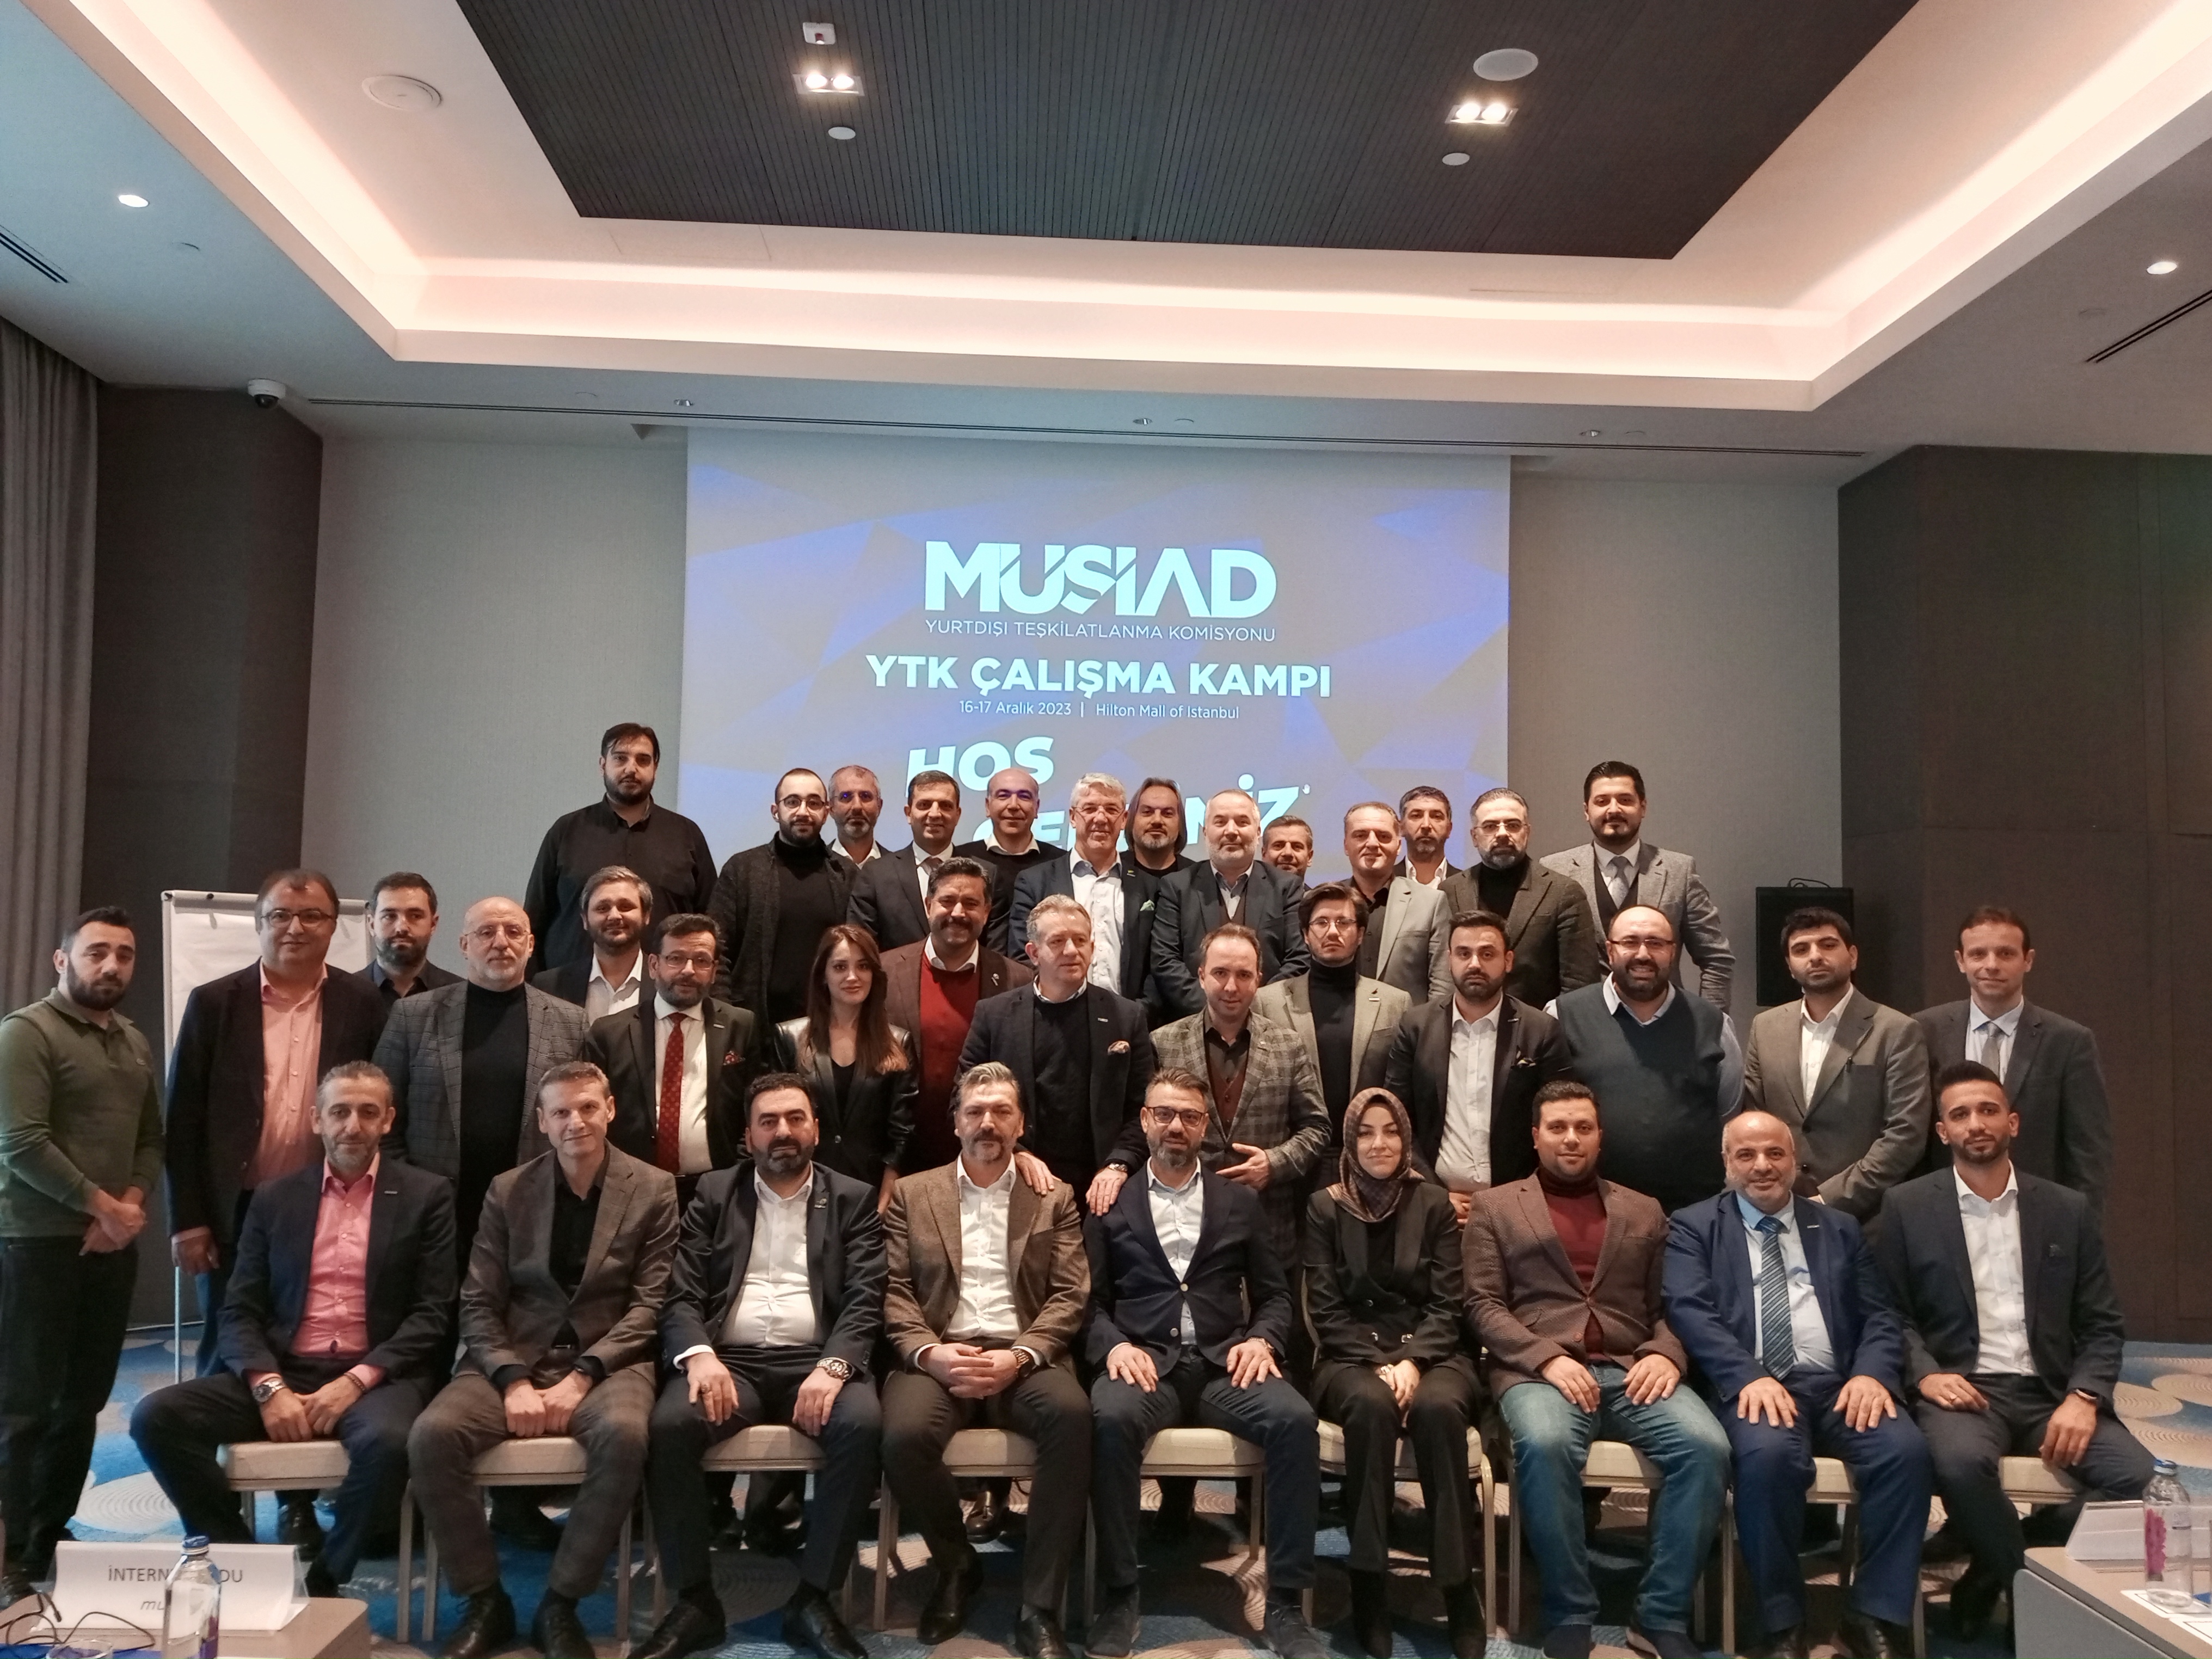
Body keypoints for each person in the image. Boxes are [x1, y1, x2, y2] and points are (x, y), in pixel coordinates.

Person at [131, 1062, 457, 1599]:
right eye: (339, 1112)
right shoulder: (275, 1197)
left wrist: (354, 1382)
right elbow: (239, 1310)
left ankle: (327, 1578)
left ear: (388, 1120)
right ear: (316, 1120)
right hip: (286, 1368)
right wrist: (268, 1387)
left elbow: (432, 1315)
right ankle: (241, 1561)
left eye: (368, 1112)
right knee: (156, 1418)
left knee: (390, 1443)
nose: (353, 1126)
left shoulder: (427, 1195)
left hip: (376, 1375)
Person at [1870, 1062, 2150, 1643]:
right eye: (1960, 1114)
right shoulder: (1906, 1207)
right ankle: (2026, 1586)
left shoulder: (2065, 1209)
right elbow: (1887, 1312)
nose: (1975, 1123)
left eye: (1988, 1110)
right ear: (1942, 1131)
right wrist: (1923, 1376)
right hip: (1963, 1390)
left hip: (2052, 1391)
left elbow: (2101, 1323)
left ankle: (1995, 1564)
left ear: (2012, 1122)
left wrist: (2084, 1396)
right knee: (1957, 1466)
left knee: (2141, 1482)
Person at [409, 1062, 679, 1659]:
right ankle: (485, 1600)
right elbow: (478, 1300)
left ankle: (561, 1604)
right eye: (561, 1112)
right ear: (542, 1122)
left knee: (625, 1436)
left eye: (587, 1108)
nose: (575, 1122)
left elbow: (650, 1305)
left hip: (611, 1358)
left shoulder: (654, 1187)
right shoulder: (508, 1190)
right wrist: (510, 1379)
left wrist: (584, 1375)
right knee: (433, 1435)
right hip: (517, 1353)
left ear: (610, 1110)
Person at [1464, 1080, 1729, 1659]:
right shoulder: (1495, 1206)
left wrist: (1666, 1353)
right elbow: (1482, 1305)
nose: (1571, 1138)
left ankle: (1660, 1615)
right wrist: (1545, 1356)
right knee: (1546, 1443)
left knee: (1706, 1447)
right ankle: (1569, 1610)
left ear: (1600, 1137)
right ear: (1535, 1137)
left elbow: (1671, 1305)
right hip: (1538, 1373)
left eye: (1582, 1127)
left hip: (1634, 1370)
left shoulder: (1644, 1209)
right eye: (1557, 1127)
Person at [632, 1075, 883, 1659]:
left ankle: (814, 1598)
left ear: (815, 1128)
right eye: (768, 1122)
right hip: (731, 1363)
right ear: (748, 1136)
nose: (783, 1132)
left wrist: (835, 1366)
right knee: (671, 1425)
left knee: (862, 1424)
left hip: (816, 1360)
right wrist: (699, 1356)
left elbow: (866, 1297)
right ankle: (695, 1600)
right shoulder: (714, 1194)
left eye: (795, 1119)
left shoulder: (852, 1197)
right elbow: (681, 1294)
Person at [1663, 1110, 1931, 1659]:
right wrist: (1747, 1376)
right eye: (1746, 1155)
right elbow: (1689, 1311)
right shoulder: (1694, 1226)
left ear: (1794, 1160)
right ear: (1726, 1163)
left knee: (1904, 1453)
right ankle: (1780, 1619)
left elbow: (1880, 1315)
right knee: (1767, 1461)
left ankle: (1874, 1614)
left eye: (1774, 1153)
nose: (1762, 1166)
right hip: (1755, 1384)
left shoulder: (1838, 1227)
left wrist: (1871, 1374)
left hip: (1838, 1384)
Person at [1082, 1069, 1326, 1659]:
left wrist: (1263, 1340)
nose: (1176, 1126)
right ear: (1145, 1121)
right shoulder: (1109, 1202)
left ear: (1204, 1128)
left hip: (1224, 1365)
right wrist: (1113, 1346)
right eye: (1164, 1114)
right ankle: (1119, 1592)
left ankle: (1286, 1602)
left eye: (1190, 1117)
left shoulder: (1239, 1200)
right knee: (1109, 1420)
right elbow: (1086, 1303)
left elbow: (1274, 1295)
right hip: (1145, 1365)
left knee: (1295, 1422)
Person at [879, 1065, 1091, 1659]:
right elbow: (893, 1290)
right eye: (975, 1112)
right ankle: (956, 1566)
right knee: (901, 1436)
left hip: (1023, 1355)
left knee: (1072, 1418)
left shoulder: (1053, 1196)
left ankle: (1039, 1604)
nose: (987, 1123)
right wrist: (930, 1353)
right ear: (955, 1123)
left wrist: (1020, 1356)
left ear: (1021, 1125)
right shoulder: (914, 1194)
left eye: (1001, 1111)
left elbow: (1069, 1295)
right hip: (939, 1353)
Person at [168, 869, 389, 1379]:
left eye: (312, 916)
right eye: (281, 915)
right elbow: (182, 1118)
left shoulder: (362, 1003)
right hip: (234, 1207)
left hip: (324, 1201)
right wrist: (188, 1219)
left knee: (310, 1335)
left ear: (333, 926)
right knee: (228, 1339)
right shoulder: (214, 1003)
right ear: (259, 922)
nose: (295, 928)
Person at [0, 907, 162, 1600]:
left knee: (83, 1401)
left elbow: (151, 1139)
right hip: (35, 1244)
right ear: (62, 960)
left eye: (124, 954)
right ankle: (10, 1553)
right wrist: (103, 1207)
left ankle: (50, 1533)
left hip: (109, 1246)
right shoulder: (26, 1033)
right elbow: (20, 1140)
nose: (112, 966)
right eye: (97, 952)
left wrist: (127, 1207)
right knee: (25, 1405)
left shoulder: (133, 1041)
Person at [1304, 1089, 1483, 1659]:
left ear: (1406, 1139)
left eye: (1390, 1131)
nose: (1378, 1143)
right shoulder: (1324, 1207)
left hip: (1433, 1353)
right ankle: (1368, 1582)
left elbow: (1448, 1304)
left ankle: (1457, 1585)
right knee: (1370, 1406)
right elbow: (1325, 1309)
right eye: (1365, 1132)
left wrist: (1413, 1360)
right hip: (1350, 1357)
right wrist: (1378, 1363)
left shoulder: (1433, 1204)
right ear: (1349, 1141)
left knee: (1438, 1408)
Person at [374, 896, 591, 1271]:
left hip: (534, 1209)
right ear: (464, 944)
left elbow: (583, 1123)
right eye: (486, 932)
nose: (501, 942)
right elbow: (380, 1117)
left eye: (514, 932)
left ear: (530, 944)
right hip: (432, 1210)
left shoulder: (570, 1022)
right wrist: (407, 1190)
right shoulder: (413, 1016)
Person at [959, 894, 1153, 1211]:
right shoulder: (994, 1015)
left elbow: (1144, 1107)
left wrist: (1119, 1164)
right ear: (1033, 953)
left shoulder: (1126, 1016)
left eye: (1080, 940)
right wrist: (1016, 1152)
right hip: (1015, 1178)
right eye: (1058, 941)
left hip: (1103, 1185)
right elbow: (962, 1099)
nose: (1072, 951)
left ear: (1092, 947)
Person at [1151, 925, 1329, 1263]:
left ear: (1259, 979)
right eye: (1220, 973)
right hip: (1184, 1226)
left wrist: (1274, 1164)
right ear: (1201, 976)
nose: (1232, 987)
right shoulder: (1163, 1043)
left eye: (1244, 975)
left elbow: (1317, 1127)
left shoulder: (1289, 1045)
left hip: (1268, 1226)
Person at [1914, 906, 2112, 1208]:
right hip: (1943, 1210)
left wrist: (2080, 1226)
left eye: (2005, 954)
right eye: (1978, 954)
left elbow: (2089, 1152)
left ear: (2028, 960)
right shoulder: (1923, 1032)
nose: (1991, 965)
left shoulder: (2068, 1041)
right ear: (1960, 961)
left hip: (2038, 1212)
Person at [1549, 907, 1741, 1215]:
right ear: (1610, 950)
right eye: (1630, 942)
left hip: (1692, 1213)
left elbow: (1729, 1114)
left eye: (1656, 943)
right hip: (1590, 1211)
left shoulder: (1713, 1022)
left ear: (1673, 952)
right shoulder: (1563, 1016)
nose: (1643, 954)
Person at [1741, 907, 1930, 1220]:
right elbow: (1754, 1116)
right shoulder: (1765, 1027)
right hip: (1778, 1208)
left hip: (1864, 1217)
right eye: (1801, 949)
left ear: (1853, 956)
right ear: (1790, 967)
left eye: (1828, 945)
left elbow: (1905, 1133)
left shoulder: (1896, 1030)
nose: (1815, 956)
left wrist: (1829, 1200)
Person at [1387, 911, 1575, 1219]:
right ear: (1449, 959)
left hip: (1518, 1204)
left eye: (1487, 954)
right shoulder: (1416, 1026)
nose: (1475, 964)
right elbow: (1397, 1117)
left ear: (1508, 960)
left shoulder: (1541, 1030)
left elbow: (1561, 1119)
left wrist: (1515, 1196)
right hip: (1434, 1204)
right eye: (1464, 953)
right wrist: (1433, 1194)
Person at [586, 914, 764, 1204]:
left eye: (701, 961)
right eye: (676, 959)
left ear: (714, 971)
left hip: (718, 1189)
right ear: (654, 965)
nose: (688, 971)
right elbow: (594, 1113)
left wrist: (739, 1169)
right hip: (633, 1190)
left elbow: (756, 1106)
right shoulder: (609, 1033)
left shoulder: (741, 1026)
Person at [524, 723, 716, 978]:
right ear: (603, 765)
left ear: (656, 768)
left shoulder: (687, 835)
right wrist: (533, 987)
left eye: (643, 760)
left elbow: (709, 924)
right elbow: (534, 920)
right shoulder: (566, 831)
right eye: (620, 758)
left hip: (662, 989)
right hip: (568, 988)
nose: (631, 769)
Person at [880, 859, 1033, 1175]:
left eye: (971, 903)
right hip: (898, 1153)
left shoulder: (1018, 980)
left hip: (987, 1150)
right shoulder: (884, 972)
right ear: (928, 906)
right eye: (948, 901)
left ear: (987, 912)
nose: (959, 913)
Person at [1541, 763, 1734, 1010]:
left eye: (1625, 800)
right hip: (1582, 1022)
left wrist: (1710, 1022)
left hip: (1663, 1020)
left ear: (1643, 807)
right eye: (1602, 801)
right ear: (1586, 811)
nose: (1614, 810)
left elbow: (1716, 958)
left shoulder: (1679, 871)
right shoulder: (1555, 870)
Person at [773, 924, 915, 1206]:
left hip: (870, 1192)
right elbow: (780, 1122)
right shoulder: (789, 1038)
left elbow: (902, 1135)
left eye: (863, 966)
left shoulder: (899, 1042)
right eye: (840, 967)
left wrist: (884, 1204)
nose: (853, 976)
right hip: (803, 1190)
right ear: (823, 976)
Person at [1254, 882, 1409, 1139]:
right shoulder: (1267, 1002)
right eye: (1322, 922)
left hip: (1368, 1147)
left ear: (1360, 934)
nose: (1333, 932)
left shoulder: (1395, 1003)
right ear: (1306, 934)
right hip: (1293, 1146)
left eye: (1344, 923)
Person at [708, 767, 857, 1027]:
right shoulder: (742, 869)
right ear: (775, 811)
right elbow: (716, 950)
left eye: (814, 803)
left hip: (828, 1025)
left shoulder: (847, 874)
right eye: (792, 802)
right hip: (753, 1025)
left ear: (826, 812)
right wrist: (726, 1016)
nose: (803, 811)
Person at [1151, 790, 1310, 1017]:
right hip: (1194, 1022)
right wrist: (1213, 1012)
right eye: (1220, 822)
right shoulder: (1177, 887)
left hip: (1269, 1022)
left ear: (1257, 832)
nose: (1231, 831)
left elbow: (1299, 958)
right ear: (1206, 832)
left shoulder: (1287, 888)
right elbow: (1165, 960)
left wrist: (1254, 1010)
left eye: (1242, 822)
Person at [1440, 789, 1601, 1007]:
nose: (1502, 834)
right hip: (1465, 1023)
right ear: (1474, 837)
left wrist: (1547, 1026)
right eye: (1490, 826)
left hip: (1541, 1025)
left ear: (1527, 832)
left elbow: (1580, 984)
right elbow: (1441, 975)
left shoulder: (1564, 892)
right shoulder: (1449, 891)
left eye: (1513, 825)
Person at [1009, 773, 1158, 1007]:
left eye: (1111, 810)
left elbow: (1156, 962)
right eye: (1089, 809)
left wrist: (1139, 1012)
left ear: (1124, 819)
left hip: (1131, 1018)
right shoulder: (1034, 882)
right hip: (1056, 1016)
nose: (1101, 818)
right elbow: (1022, 957)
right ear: (1072, 817)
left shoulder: (1149, 887)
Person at [1341, 801, 1451, 1005]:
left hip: (1407, 1024)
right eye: (1361, 835)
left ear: (1399, 845)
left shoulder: (1432, 903)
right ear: (1346, 845)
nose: (1372, 844)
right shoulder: (1324, 902)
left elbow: (1442, 987)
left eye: (1383, 836)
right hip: (1337, 1021)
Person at [846, 770, 962, 952]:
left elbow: (994, 955)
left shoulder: (985, 873)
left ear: (958, 815)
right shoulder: (875, 876)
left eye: (945, 806)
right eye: (924, 805)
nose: (935, 814)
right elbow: (862, 951)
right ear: (909, 813)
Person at [953, 766, 1061, 953]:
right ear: (988, 806)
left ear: (1037, 807)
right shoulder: (961, 860)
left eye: (1024, 796)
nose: (1013, 805)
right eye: (1003, 796)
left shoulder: (1060, 863)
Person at [530, 865, 653, 1018]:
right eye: (602, 908)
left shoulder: (668, 981)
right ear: (585, 919)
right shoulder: (547, 986)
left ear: (646, 916)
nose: (614, 916)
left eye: (625, 907)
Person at [357, 872, 459, 1005]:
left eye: (415, 916)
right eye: (390, 916)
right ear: (371, 925)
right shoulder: (344, 995)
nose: (401, 928)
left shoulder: (461, 997)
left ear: (433, 925)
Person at [1394, 785, 1460, 886]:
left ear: (1449, 829)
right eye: (1416, 816)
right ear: (1401, 827)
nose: (1426, 825)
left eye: (1436, 817)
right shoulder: (1383, 882)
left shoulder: (1468, 886)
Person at [828, 765, 886, 867]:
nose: (857, 806)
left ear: (879, 806)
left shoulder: (899, 869)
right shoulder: (813, 869)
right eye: (846, 796)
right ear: (832, 808)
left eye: (866, 796)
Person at [1261, 816, 1314, 888]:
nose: (1288, 853)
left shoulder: (1320, 896)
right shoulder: (1247, 894)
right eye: (1278, 846)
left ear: (1309, 857)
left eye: (1297, 847)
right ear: (1264, 854)